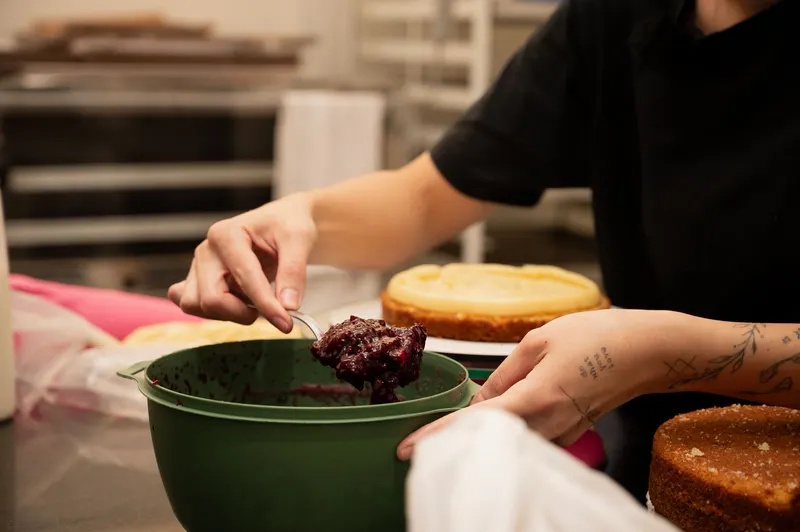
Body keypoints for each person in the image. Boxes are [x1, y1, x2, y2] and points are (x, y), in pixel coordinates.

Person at [168, 0, 800, 503]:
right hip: (644, 472)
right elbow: (422, 199)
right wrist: (297, 218)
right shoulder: (613, 17)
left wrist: (672, 353)